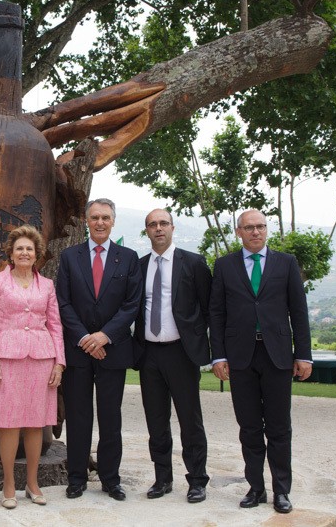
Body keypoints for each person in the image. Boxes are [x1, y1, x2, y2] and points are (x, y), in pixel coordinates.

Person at [210, 209, 313, 514]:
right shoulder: (224, 266)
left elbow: (299, 311)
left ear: (266, 230)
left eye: (261, 227)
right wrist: (218, 355)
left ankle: (282, 490)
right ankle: (255, 488)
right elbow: (216, 313)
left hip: (277, 355)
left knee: (279, 427)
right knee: (250, 427)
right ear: (238, 232)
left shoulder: (286, 263)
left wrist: (303, 354)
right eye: (249, 227)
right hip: (240, 357)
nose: (256, 232)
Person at [56, 198, 142, 501]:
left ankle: (110, 479)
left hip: (113, 350)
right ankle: (76, 478)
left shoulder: (128, 258)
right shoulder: (70, 257)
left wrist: (104, 336)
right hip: (78, 351)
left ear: (113, 221)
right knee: (78, 417)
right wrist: (85, 338)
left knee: (110, 418)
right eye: (95, 217)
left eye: (105, 217)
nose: (100, 222)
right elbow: (63, 302)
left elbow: (132, 304)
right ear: (86, 221)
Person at [0, 225, 65, 509]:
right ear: (11, 253)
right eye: (20, 248)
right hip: (6, 360)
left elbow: (55, 325)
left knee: (35, 424)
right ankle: (8, 484)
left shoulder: (48, 285)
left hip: (42, 360)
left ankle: (32, 482)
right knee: (9, 424)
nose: (24, 252)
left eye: (29, 248)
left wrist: (59, 363)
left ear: (36, 253)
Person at [133, 209, 211, 504]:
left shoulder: (193, 263)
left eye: (163, 223)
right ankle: (162, 478)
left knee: (190, 420)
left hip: (182, 352)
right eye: (152, 224)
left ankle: (197, 480)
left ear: (172, 227)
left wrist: (203, 344)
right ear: (147, 231)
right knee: (156, 421)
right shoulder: (139, 266)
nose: (158, 228)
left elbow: (208, 308)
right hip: (149, 353)